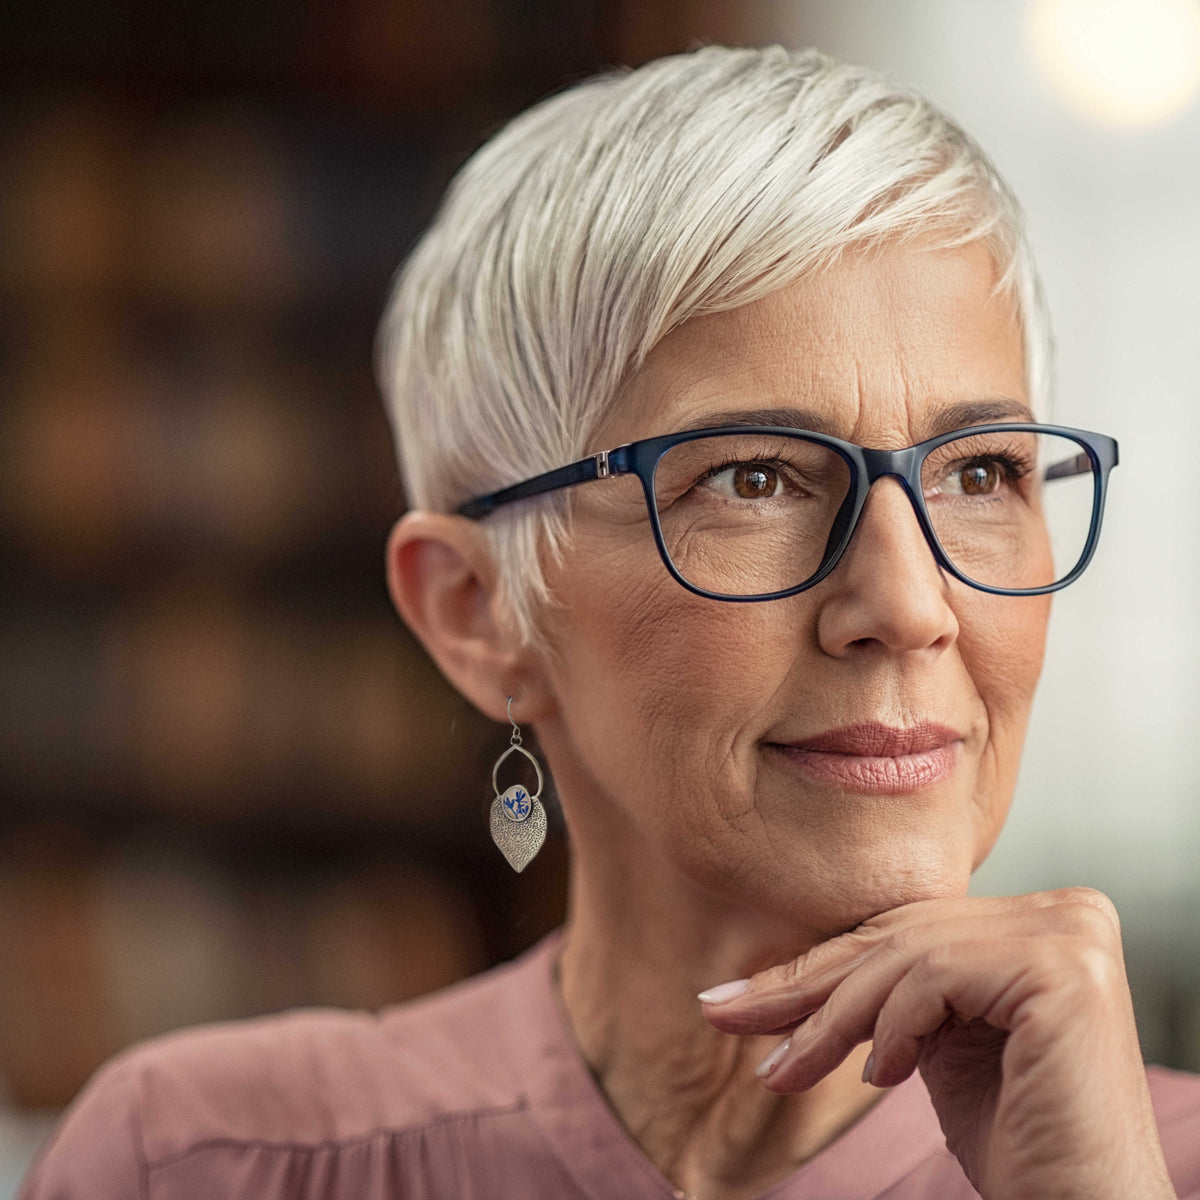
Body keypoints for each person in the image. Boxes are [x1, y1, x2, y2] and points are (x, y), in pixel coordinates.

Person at [19, 44, 1200, 1200]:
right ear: (478, 614)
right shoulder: (190, 1164)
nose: (905, 603)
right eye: (752, 478)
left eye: (981, 472)